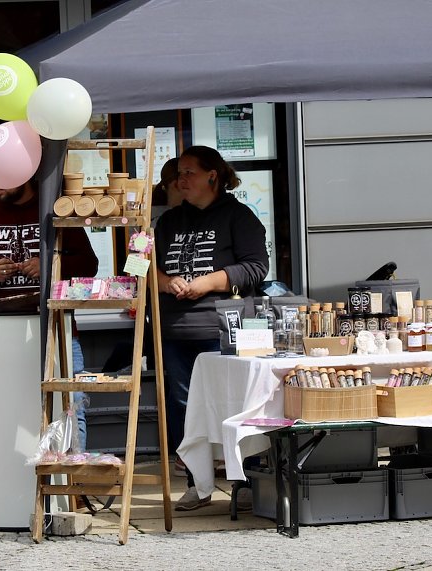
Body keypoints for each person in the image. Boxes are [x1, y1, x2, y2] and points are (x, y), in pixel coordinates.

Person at [154, 146, 269, 511]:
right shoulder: (169, 221)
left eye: (188, 172)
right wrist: (165, 281)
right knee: (184, 410)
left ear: (212, 176)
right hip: (176, 331)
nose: (181, 180)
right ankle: (196, 484)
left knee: (237, 406)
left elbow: (255, 268)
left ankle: (247, 480)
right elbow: (141, 268)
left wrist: (207, 283)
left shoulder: (240, 217)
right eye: (178, 175)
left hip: (223, 330)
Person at [0, 177, 99, 449]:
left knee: (71, 405)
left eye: (3, 178)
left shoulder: (54, 210)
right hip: (3, 332)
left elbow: (89, 264)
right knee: (8, 406)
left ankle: (73, 487)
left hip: (57, 327)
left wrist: (49, 265)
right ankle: (20, 480)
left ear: (23, 175)